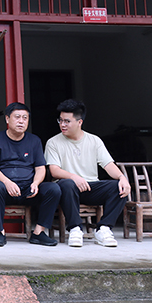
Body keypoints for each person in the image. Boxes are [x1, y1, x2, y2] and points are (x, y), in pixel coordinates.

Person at [45, 99, 130, 248]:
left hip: (91, 187)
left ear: (80, 122)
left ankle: (103, 229)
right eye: (60, 120)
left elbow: (108, 165)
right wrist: (74, 177)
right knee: (66, 184)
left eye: (67, 121)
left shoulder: (94, 141)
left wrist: (122, 178)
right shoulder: (53, 142)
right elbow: (54, 170)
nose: (62, 124)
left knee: (119, 187)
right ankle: (75, 229)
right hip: (68, 189)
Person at [0, 102, 61, 247]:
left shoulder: (34, 140)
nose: (21, 121)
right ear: (7, 119)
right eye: (17, 117)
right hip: (6, 189)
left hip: (28, 189)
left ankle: (38, 232)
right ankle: (0, 232)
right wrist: (7, 182)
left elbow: (40, 168)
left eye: (25, 118)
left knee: (54, 189)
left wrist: (36, 183)